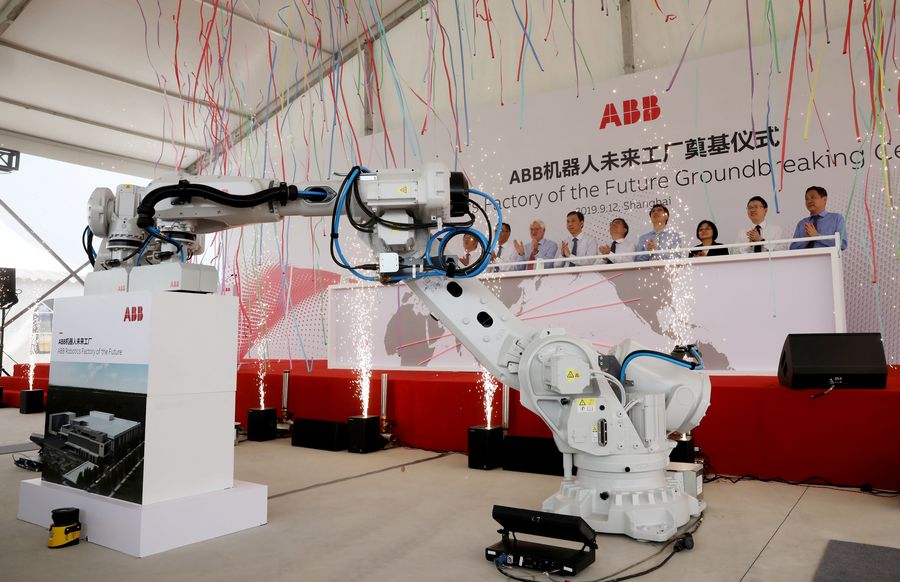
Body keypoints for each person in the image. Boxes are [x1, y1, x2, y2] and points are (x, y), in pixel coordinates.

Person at [789, 186, 848, 250]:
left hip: (827, 256)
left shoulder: (836, 218)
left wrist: (817, 236)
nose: (809, 201)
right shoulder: (802, 223)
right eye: (806, 199)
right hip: (806, 256)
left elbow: (843, 244)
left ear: (824, 199)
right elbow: (792, 249)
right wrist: (806, 239)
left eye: (812, 197)